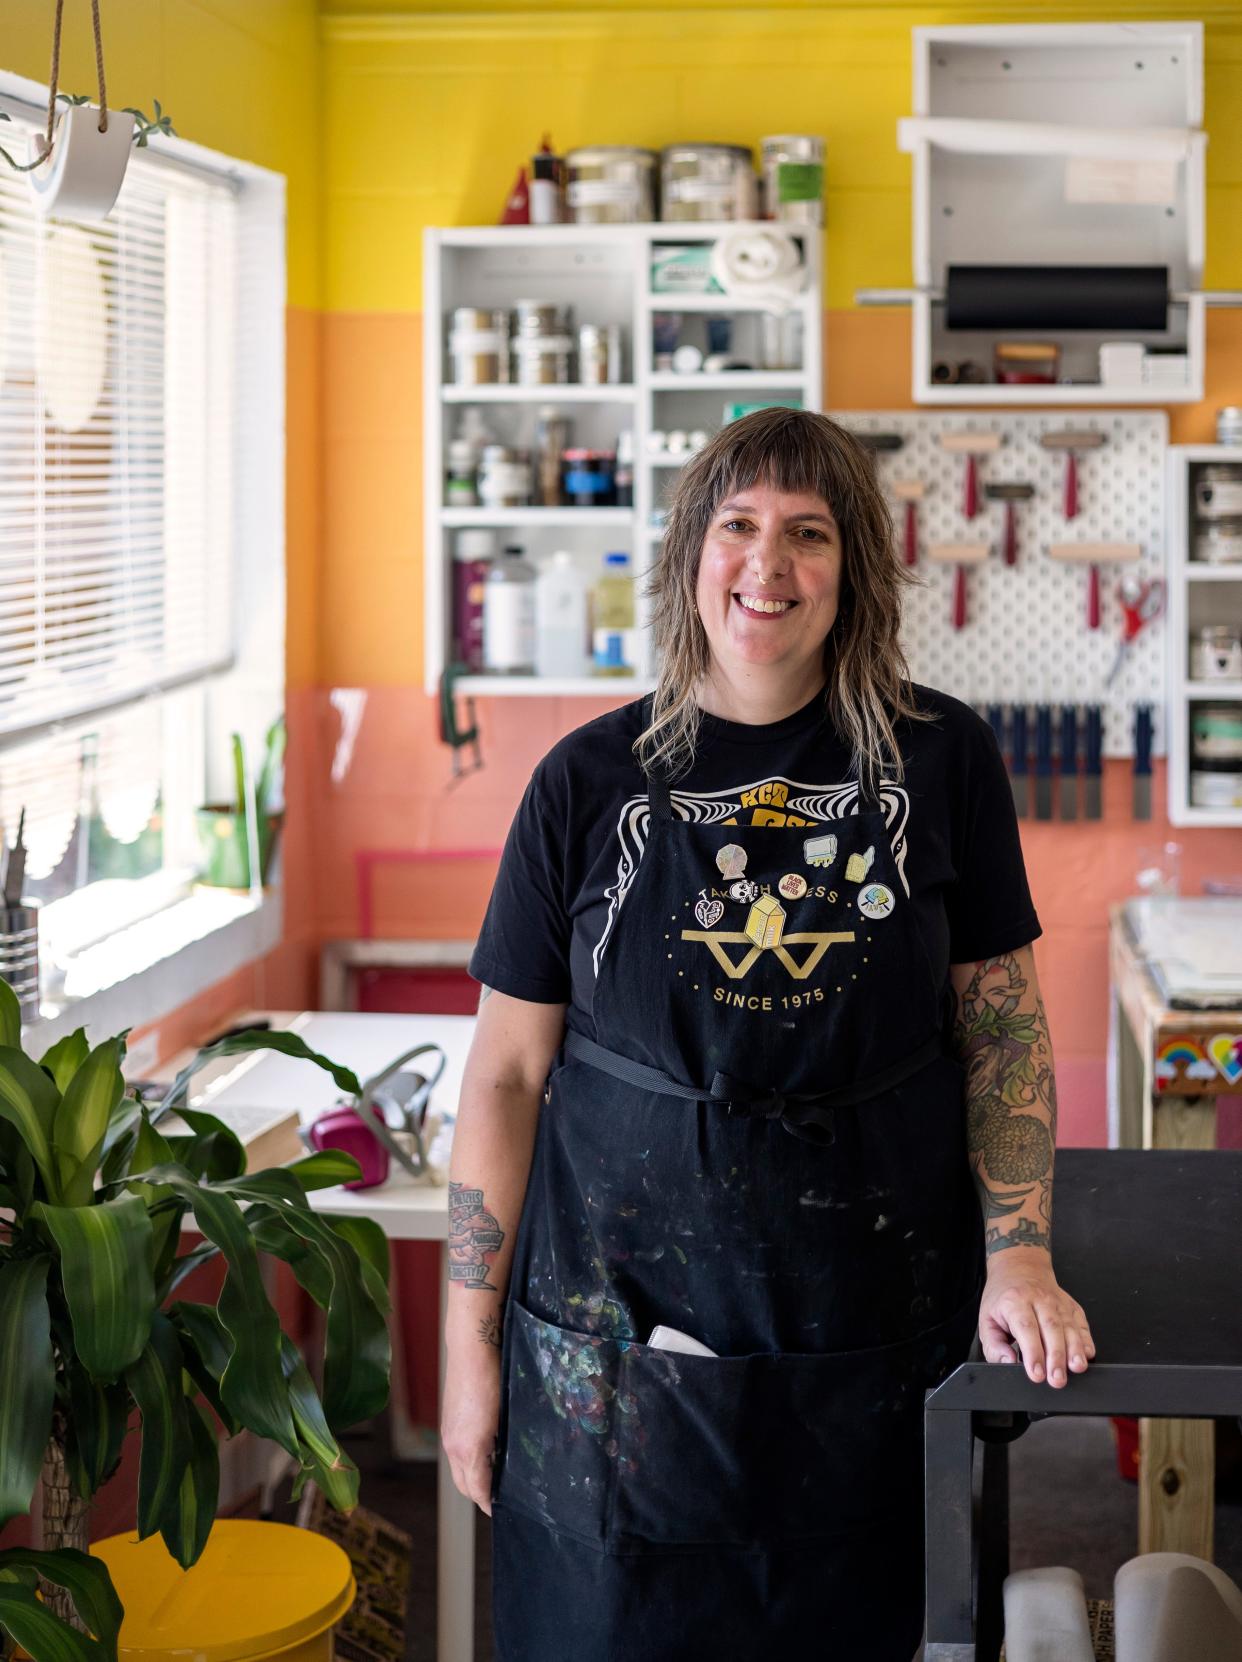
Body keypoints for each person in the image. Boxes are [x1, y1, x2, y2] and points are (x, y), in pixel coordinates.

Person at [442, 407, 1095, 1661]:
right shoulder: (586, 781)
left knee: (864, 1623)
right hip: (614, 1337)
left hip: (865, 1316)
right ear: (691, 554)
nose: (768, 566)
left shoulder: (943, 757)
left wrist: (1019, 1256)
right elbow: (511, 1074)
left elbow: (1003, 1029)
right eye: (737, 527)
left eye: (808, 533)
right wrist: (471, 1359)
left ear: (853, 566)